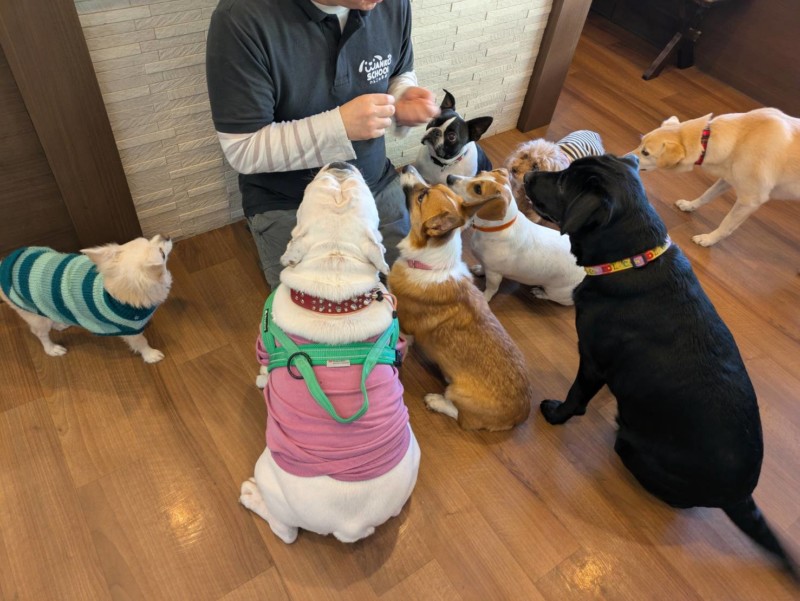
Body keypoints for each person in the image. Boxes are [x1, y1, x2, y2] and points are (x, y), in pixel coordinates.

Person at [206, 0, 440, 289]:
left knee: (424, 288)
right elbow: (243, 149)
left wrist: (401, 96)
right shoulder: (240, 19)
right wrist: (340, 127)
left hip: (374, 181)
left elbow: (398, 71)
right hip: (289, 199)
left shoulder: (391, 4)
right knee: (326, 310)